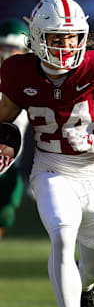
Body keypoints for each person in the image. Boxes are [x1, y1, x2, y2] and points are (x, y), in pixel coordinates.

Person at [0, 0, 94, 307]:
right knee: (62, 234)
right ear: (36, 38)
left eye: (73, 37)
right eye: (56, 38)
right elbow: (3, 119)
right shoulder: (19, 70)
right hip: (52, 167)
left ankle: (86, 288)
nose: (66, 45)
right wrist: (4, 141)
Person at [0, 18, 30, 239]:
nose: (8, 54)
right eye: (4, 48)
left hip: (10, 165)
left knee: (4, 214)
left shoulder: (32, 80)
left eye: (14, 49)